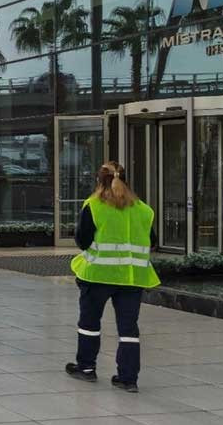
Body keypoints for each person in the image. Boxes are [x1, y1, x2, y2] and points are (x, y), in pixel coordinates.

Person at [64, 161, 158, 392]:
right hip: (131, 278)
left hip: (97, 276)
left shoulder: (94, 205)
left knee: (89, 324)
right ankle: (128, 378)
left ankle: (86, 368)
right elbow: (153, 241)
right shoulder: (144, 209)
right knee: (129, 329)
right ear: (126, 180)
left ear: (98, 180)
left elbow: (83, 240)